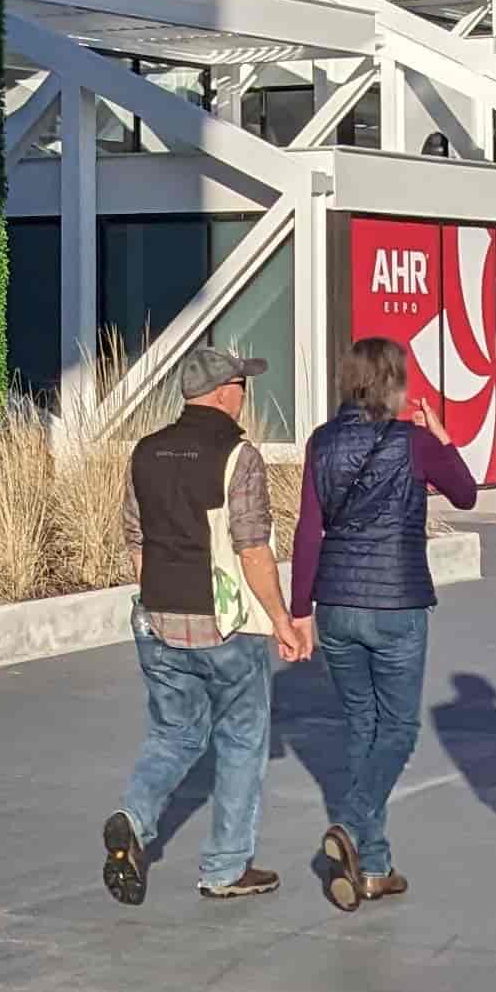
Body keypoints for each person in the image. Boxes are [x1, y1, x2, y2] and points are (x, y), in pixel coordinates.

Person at [101, 346, 306, 909]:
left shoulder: (144, 451)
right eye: (243, 384)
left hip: (158, 620)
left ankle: (132, 818)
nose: (246, 394)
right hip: (224, 627)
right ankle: (224, 867)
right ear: (224, 392)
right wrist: (282, 621)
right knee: (241, 741)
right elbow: (253, 549)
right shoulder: (238, 456)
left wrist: (156, 602)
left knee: (173, 735)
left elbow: (135, 540)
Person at [290, 335, 479, 910]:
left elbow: (307, 531)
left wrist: (300, 611)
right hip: (396, 603)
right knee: (398, 730)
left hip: (338, 607)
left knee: (361, 728)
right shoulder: (414, 442)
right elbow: (466, 494)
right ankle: (349, 825)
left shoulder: (322, 442)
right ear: (392, 382)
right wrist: (441, 433)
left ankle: (373, 866)